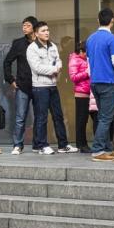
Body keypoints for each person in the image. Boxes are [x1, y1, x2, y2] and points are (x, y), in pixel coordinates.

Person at [26, 21, 75, 155]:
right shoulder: (32, 49)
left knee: (58, 116)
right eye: (43, 30)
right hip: (40, 87)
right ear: (36, 33)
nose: (47, 32)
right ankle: (42, 145)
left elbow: (58, 60)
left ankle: (63, 145)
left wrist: (58, 66)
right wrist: (54, 69)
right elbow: (36, 67)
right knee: (42, 117)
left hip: (53, 85)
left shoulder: (53, 45)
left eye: (47, 30)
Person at [86, 8, 114, 161]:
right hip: (107, 81)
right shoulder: (112, 39)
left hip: (94, 81)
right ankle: (98, 150)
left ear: (98, 20)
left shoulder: (90, 39)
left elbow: (88, 63)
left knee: (103, 116)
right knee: (107, 117)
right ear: (112, 21)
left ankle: (107, 148)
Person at [3, 17, 37, 154]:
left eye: (27, 25)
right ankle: (17, 144)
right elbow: (7, 62)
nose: (24, 28)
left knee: (39, 116)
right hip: (22, 85)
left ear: (34, 27)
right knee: (20, 116)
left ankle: (39, 144)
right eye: (23, 25)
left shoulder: (41, 42)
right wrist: (10, 80)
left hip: (39, 85)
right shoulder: (18, 43)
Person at [68, 40, 94, 153]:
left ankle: (87, 143)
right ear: (81, 51)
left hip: (91, 92)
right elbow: (73, 77)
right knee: (82, 120)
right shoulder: (74, 59)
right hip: (81, 93)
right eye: (86, 52)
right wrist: (87, 73)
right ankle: (81, 144)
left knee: (91, 118)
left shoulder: (86, 59)